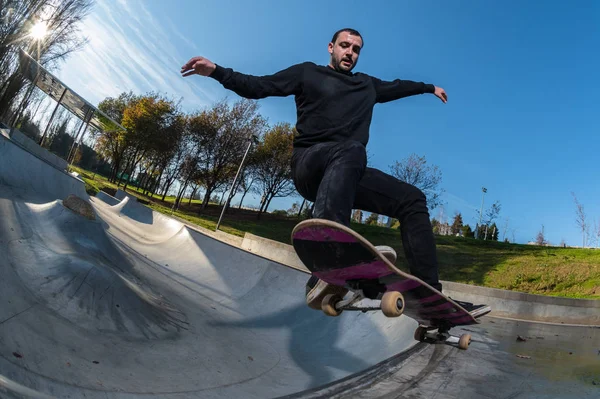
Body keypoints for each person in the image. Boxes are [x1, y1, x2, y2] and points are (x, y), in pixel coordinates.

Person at [181, 28, 476, 311]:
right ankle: (328, 260)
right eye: (345, 46)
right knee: (351, 148)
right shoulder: (307, 72)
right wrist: (217, 71)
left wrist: (429, 88)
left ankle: (430, 294)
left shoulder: (368, 85)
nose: (350, 53)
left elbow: (398, 86)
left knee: (412, 199)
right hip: (310, 165)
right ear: (331, 47)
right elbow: (260, 86)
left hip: (347, 171)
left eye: (356, 49)